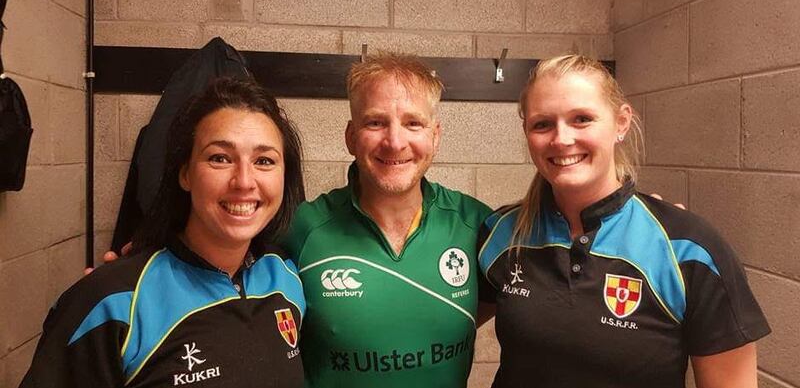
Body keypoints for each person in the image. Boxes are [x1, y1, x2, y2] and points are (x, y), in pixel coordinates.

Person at [477, 55, 770, 388]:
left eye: (582, 119)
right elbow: (438, 319)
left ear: (621, 122)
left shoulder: (689, 248)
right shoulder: (501, 233)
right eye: (542, 124)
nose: (561, 139)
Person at [20, 78, 307, 388]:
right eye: (220, 158)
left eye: (264, 161)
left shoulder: (286, 277)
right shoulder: (111, 302)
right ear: (184, 173)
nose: (243, 182)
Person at [280, 52, 493, 388]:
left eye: (413, 123)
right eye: (375, 122)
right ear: (351, 137)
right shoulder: (300, 230)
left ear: (435, 136)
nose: (395, 142)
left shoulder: (477, 225)